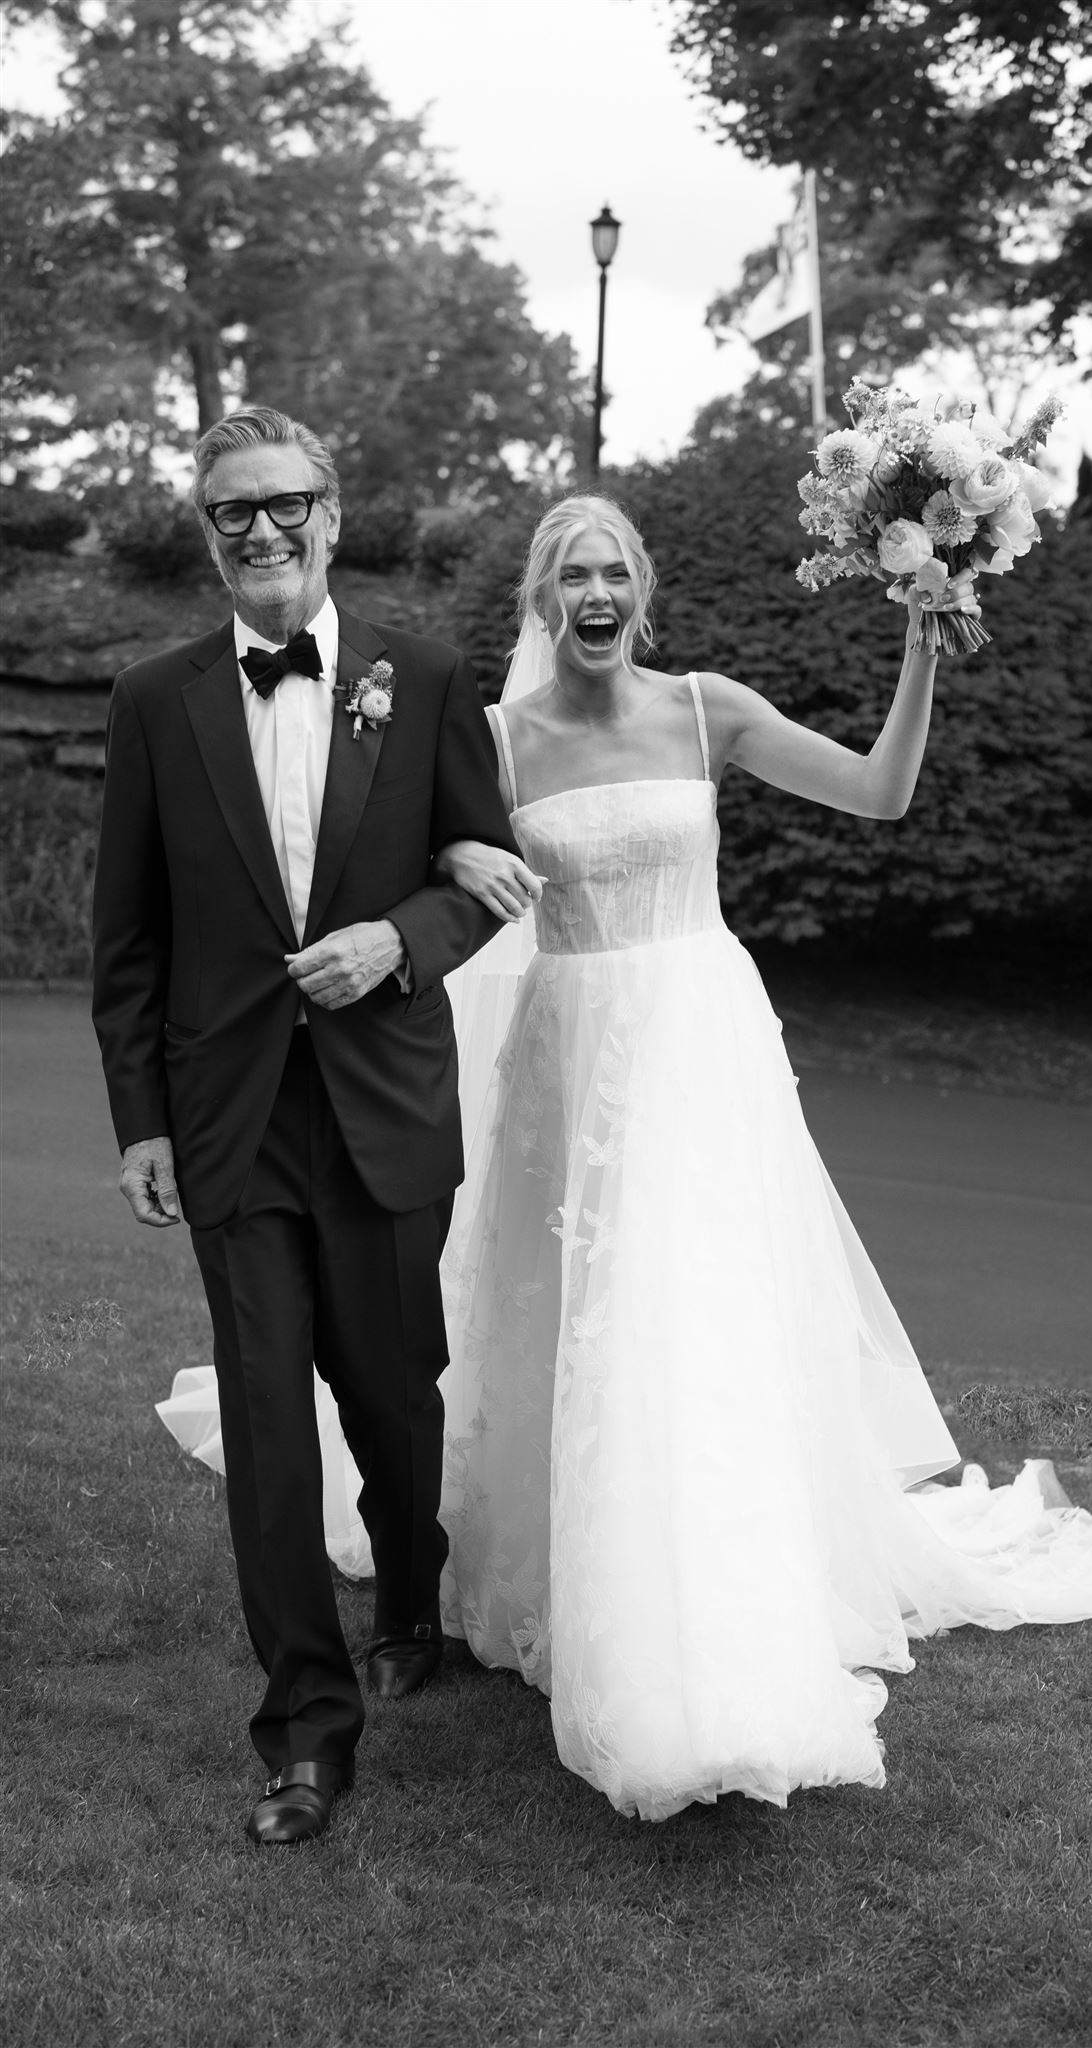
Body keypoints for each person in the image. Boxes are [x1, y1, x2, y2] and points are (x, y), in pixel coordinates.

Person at [428, 494, 1092, 1821]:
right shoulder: (495, 740)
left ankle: (709, 1610)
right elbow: (421, 855)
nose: (592, 593)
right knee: (574, 1325)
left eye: (611, 571)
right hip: (566, 1058)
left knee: (687, 1326)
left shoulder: (709, 709)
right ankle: (569, 1579)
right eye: (569, 575)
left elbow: (881, 795)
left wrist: (920, 649)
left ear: (639, 592)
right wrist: (450, 833)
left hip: (695, 1059)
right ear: (543, 604)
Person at [92, 406, 518, 1845]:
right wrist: (141, 1120)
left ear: (333, 514)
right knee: (269, 1421)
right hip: (230, 1121)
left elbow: (487, 876)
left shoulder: (429, 673)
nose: (261, 532)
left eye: (284, 505)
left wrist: (398, 940)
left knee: (395, 1396)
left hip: (383, 1107)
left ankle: (410, 1596)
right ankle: (306, 1731)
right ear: (207, 536)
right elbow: (129, 937)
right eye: (231, 514)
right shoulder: (154, 702)